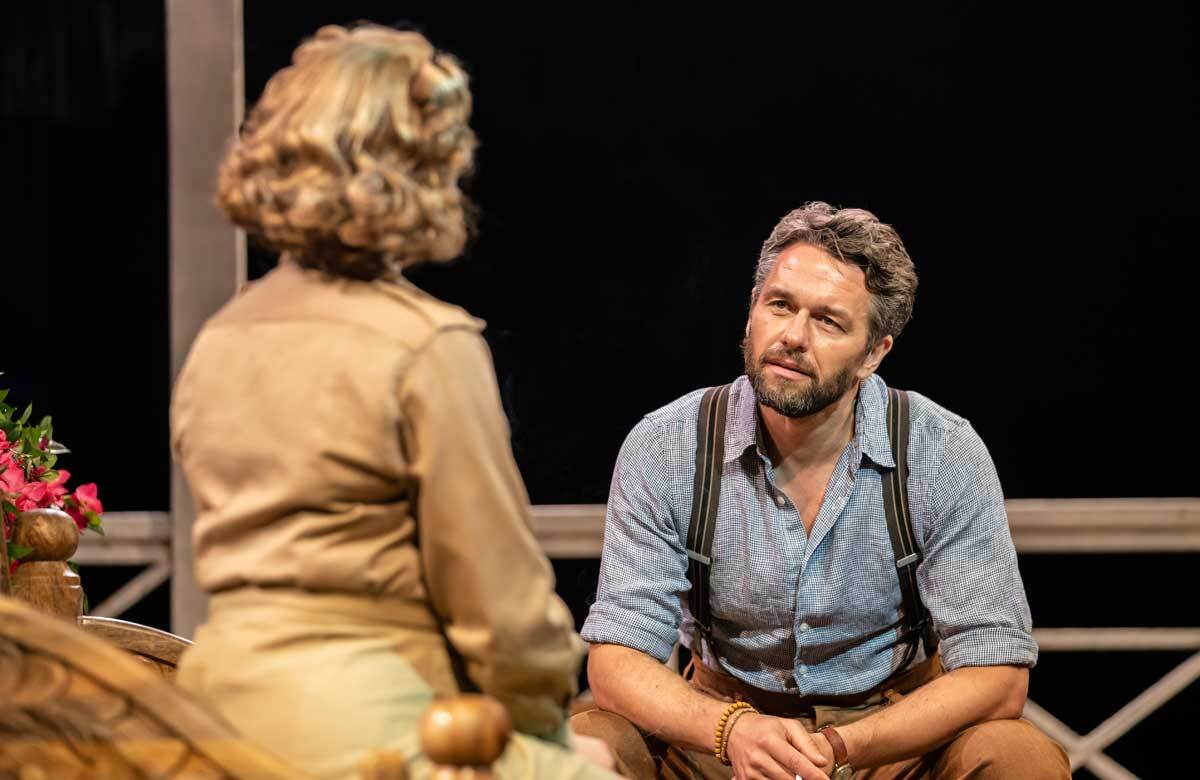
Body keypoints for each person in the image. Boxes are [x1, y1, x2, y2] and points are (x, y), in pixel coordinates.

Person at [171, 24, 614, 780]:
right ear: (419, 172)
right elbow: (502, 613)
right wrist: (546, 731)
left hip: (212, 716)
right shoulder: (425, 345)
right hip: (374, 731)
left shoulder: (219, 338)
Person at [573, 202, 1070, 779]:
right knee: (588, 744)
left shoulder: (941, 451)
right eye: (779, 305)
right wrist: (733, 730)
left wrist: (837, 747)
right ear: (751, 310)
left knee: (1019, 757)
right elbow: (615, 660)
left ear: (874, 353)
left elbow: (998, 675)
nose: (791, 337)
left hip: (888, 741)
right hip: (718, 733)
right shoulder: (667, 446)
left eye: (829, 321)